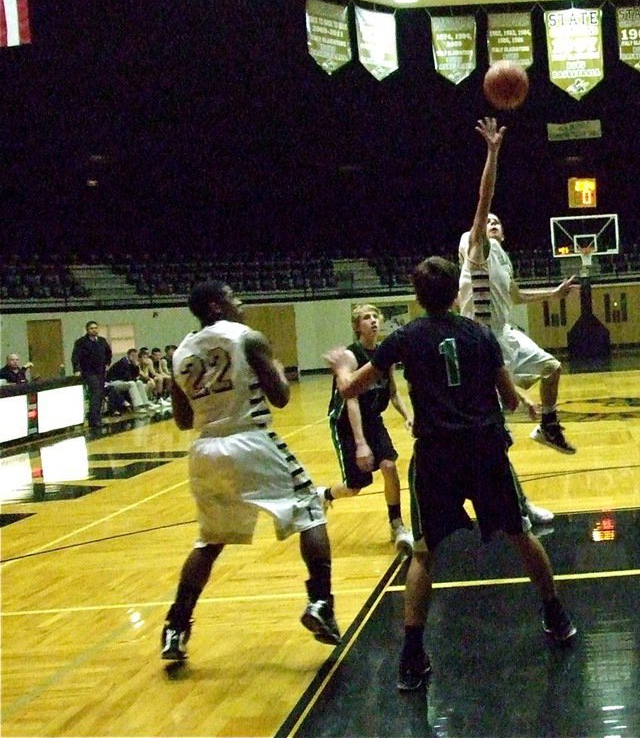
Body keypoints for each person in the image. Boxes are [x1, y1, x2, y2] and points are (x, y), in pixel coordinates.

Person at [326, 256, 576, 692]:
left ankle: (412, 654)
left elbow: (351, 388)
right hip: (484, 448)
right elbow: (510, 399)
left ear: (417, 297)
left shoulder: (405, 336)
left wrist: (340, 367)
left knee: (424, 554)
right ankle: (556, 615)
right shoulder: (479, 332)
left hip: (438, 454)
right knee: (519, 532)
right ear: (456, 294)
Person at [160, 281, 339, 664]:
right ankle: (321, 602)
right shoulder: (248, 338)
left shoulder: (181, 353)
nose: (239, 302)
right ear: (216, 306)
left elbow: (181, 419)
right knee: (310, 508)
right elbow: (281, 398)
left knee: (209, 540)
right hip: (248, 437)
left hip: (204, 449)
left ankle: (175, 627)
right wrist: (275, 369)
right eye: (231, 297)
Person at [458, 117, 578, 522]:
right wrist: (492, 153)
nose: (490, 223)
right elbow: (483, 201)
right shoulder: (478, 251)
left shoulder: (504, 259)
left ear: (504, 235)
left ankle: (548, 424)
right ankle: (515, 504)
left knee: (552, 367)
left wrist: (554, 294)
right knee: (494, 436)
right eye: (485, 223)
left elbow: (516, 296)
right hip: (478, 345)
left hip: (503, 335)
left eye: (496, 223)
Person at [320, 303, 415, 556]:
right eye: (366, 317)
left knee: (389, 466)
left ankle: (397, 524)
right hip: (346, 424)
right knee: (354, 487)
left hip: (372, 418)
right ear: (357, 326)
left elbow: (392, 392)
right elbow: (351, 400)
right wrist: (361, 443)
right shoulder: (352, 357)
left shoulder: (385, 355)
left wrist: (408, 416)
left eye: (375, 316)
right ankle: (325, 494)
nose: (372, 321)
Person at [71, 320, 112, 430]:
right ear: (87, 330)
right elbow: (75, 357)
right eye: (91, 328)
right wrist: (77, 369)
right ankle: (94, 419)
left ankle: (97, 418)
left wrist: (107, 364)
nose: (94, 330)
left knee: (100, 394)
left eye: (95, 328)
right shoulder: (81, 342)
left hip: (101, 371)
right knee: (95, 393)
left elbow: (108, 353)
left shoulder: (102, 341)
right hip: (88, 372)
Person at [107, 348, 152, 412]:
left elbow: (135, 376)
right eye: (135, 356)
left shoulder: (132, 363)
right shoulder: (123, 363)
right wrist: (134, 369)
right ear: (130, 356)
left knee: (139, 382)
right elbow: (127, 378)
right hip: (113, 382)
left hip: (122, 381)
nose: (137, 358)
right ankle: (137, 406)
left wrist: (136, 367)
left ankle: (145, 404)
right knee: (132, 384)